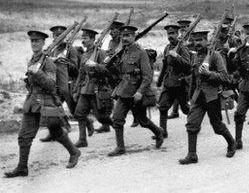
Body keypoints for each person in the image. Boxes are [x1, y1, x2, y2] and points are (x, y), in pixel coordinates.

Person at [4, 31, 80, 178]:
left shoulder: (49, 62)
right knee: (24, 136)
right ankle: (22, 168)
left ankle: (74, 152)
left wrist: (37, 72)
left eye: (37, 41)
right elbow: (33, 83)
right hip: (32, 102)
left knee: (56, 132)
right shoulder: (33, 59)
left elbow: (52, 85)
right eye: (32, 41)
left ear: (43, 43)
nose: (34, 43)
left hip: (46, 103)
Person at [99, 25, 164, 156]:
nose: (125, 38)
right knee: (117, 118)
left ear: (134, 37)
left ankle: (158, 132)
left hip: (136, 93)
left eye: (128, 36)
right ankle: (120, 148)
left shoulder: (141, 52)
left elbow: (148, 76)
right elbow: (118, 71)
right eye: (123, 36)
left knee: (143, 121)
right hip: (124, 90)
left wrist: (140, 91)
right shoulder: (122, 51)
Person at [179, 31, 236, 164]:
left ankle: (231, 142)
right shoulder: (195, 56)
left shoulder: (215, 56)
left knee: (217, 126)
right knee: (192, 124)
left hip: (212, 97)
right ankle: (192, 155)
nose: (197, 43)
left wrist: (209, 73)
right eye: (196, 40)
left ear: (207, 41)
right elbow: (194, 78)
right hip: (198, 97)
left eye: (200, 40)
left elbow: (225, 77)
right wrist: (191, 96)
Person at [73, 28, 114, 147]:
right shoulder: (85, 54)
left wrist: (95, 65)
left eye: (85, 38)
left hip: (97, 89)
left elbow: (108, 71)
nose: (83, 41)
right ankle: (82, 140)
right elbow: (81, 74)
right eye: (82, 38)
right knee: (79, 113)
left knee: (102, 118)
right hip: (85, 90)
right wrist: (76, 90)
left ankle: (117, 126)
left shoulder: (101, 53)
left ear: (92, 39)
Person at [40, 25, 80, 142]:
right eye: (55, 35)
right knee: (52, 109)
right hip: (54, 83)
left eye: (60, 35)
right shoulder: (51, 49)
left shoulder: (71, 49)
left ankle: (87, 124)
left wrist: (64, 62)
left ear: (64, 36)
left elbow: (75, 69)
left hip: (68, 84)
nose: (57, 37)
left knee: (74, 110)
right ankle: (57, 131)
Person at [157, 25, 191, 138]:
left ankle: (194, 124)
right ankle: (163, 132)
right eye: (168, 34)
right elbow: (165, 66)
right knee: (162, 106)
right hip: (168, 83)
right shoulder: (167, 48)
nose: (170, 36)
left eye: (172, 34)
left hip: (180, 83)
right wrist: (160, 80)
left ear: (177, 34)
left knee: (185, 108)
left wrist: (177, 56)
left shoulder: (182, 48)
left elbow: (188, 65)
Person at [167, 19, 193, 119]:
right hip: (179, 67)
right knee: (177, 87)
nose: (183, 30)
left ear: (188, 27)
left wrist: (187, 45)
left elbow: (195, 48)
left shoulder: (193, 37)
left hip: (190, 64)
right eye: (181, 28)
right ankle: (175, 111)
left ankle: (196, 112)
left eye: (184, 28)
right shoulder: (178, 38)